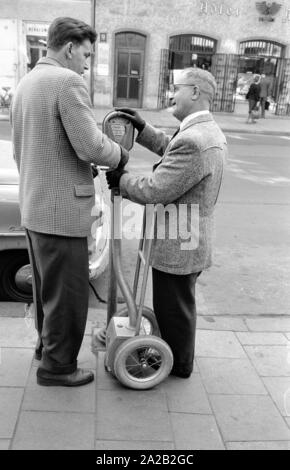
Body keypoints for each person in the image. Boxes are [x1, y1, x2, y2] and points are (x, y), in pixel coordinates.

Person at [10, 17, 129, 387]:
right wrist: (120, 155)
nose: (87, 64)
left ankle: (47, 350)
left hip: (35, 206)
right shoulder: (66, 81)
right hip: (61, 212)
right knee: (68, 296)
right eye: (86, 55)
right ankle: (58, 367)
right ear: (69, 48)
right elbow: (91, 144)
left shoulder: (26, 83)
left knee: (48, 290)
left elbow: (32, 149)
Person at [106, 67, 227, 378]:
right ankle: (176, 355)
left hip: (180, 242)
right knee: (174, 305)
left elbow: (158, 188)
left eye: (178, 87)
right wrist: (143, 129)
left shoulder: (196, 140)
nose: (172, 93)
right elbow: (171, 150)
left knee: (174, 309)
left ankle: (178, 366)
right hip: (186, 237)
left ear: (196, 92)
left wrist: (123, 180)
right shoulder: (200, 132)